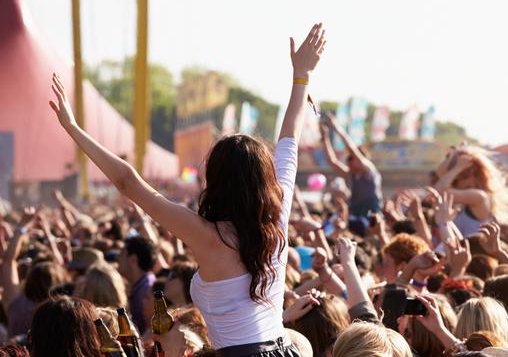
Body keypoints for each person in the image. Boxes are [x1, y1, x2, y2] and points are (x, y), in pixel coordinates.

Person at [49, 23, 326, 355]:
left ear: (217, 181)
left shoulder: (207, 234)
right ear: (263, 180)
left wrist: (74, 129)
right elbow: (289, 142)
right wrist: (301, 77)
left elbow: (128, 182)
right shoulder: (275, 217)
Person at [434, 146, 508, 236]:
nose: (454, 184)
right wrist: (456, 153)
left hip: (473, 248)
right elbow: (440, 172)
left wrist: (458, 168)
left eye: (457, 179)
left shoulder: (479, 196)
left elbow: (439, 191)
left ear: (471, 174)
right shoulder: (476, 194)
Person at [319, 112, 383, 229]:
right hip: (356, 214)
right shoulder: (350, 174)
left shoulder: (369, 170)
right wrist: (325, 138)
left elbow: (351, 149)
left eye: (351, 158)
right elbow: (332, 162)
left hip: (371, 215)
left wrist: (336, 127)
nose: (348, 161)